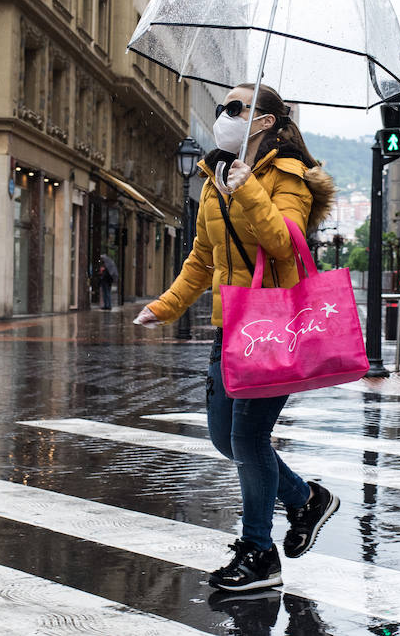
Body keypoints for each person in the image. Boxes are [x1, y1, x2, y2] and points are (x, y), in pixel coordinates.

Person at [134, 83, 337, 592]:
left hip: (272, 326)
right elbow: (203, 258)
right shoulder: (214, 173)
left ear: (265, 121)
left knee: (248, 438)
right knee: (226, 438)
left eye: (235, 107)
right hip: (230, 327)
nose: (224, 114)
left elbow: (285, 243)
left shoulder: (288, 175)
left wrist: (249, 187)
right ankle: (305, 498)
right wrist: (166, 306)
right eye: (223, 106)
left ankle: (259, 552)